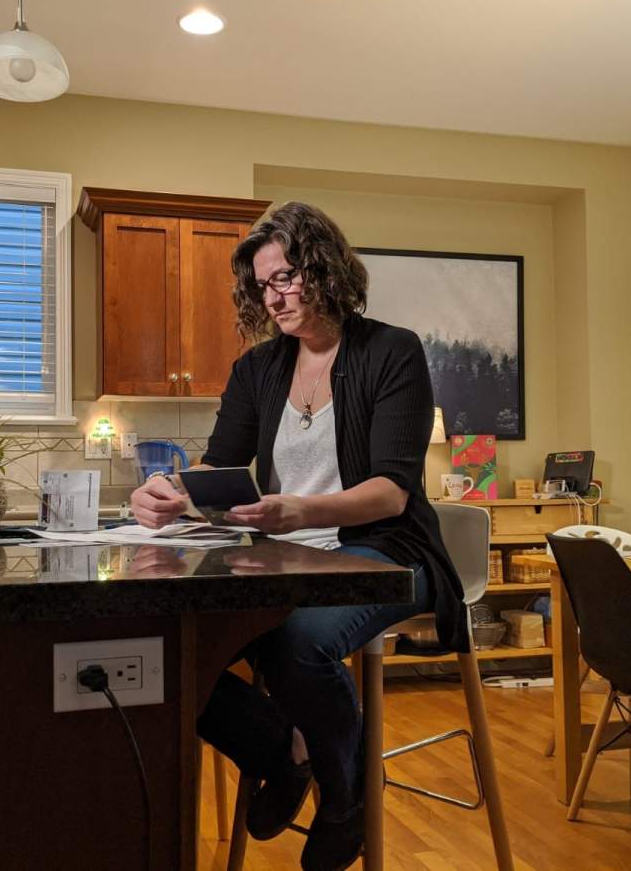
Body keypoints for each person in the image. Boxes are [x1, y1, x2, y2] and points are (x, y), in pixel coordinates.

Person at [130, 202, 466, 871]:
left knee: (297, 642)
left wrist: (298, 512)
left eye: (285, 277)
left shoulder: (389, 350)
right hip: (283, 555)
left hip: (387, 551)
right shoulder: (259, 370)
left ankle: (346, 801)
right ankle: (280, 754)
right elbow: (220, 466)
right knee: (176, 646)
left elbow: (391, 490)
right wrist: (169, 491)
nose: (273, 296)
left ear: (325, 269)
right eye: (262, 285)